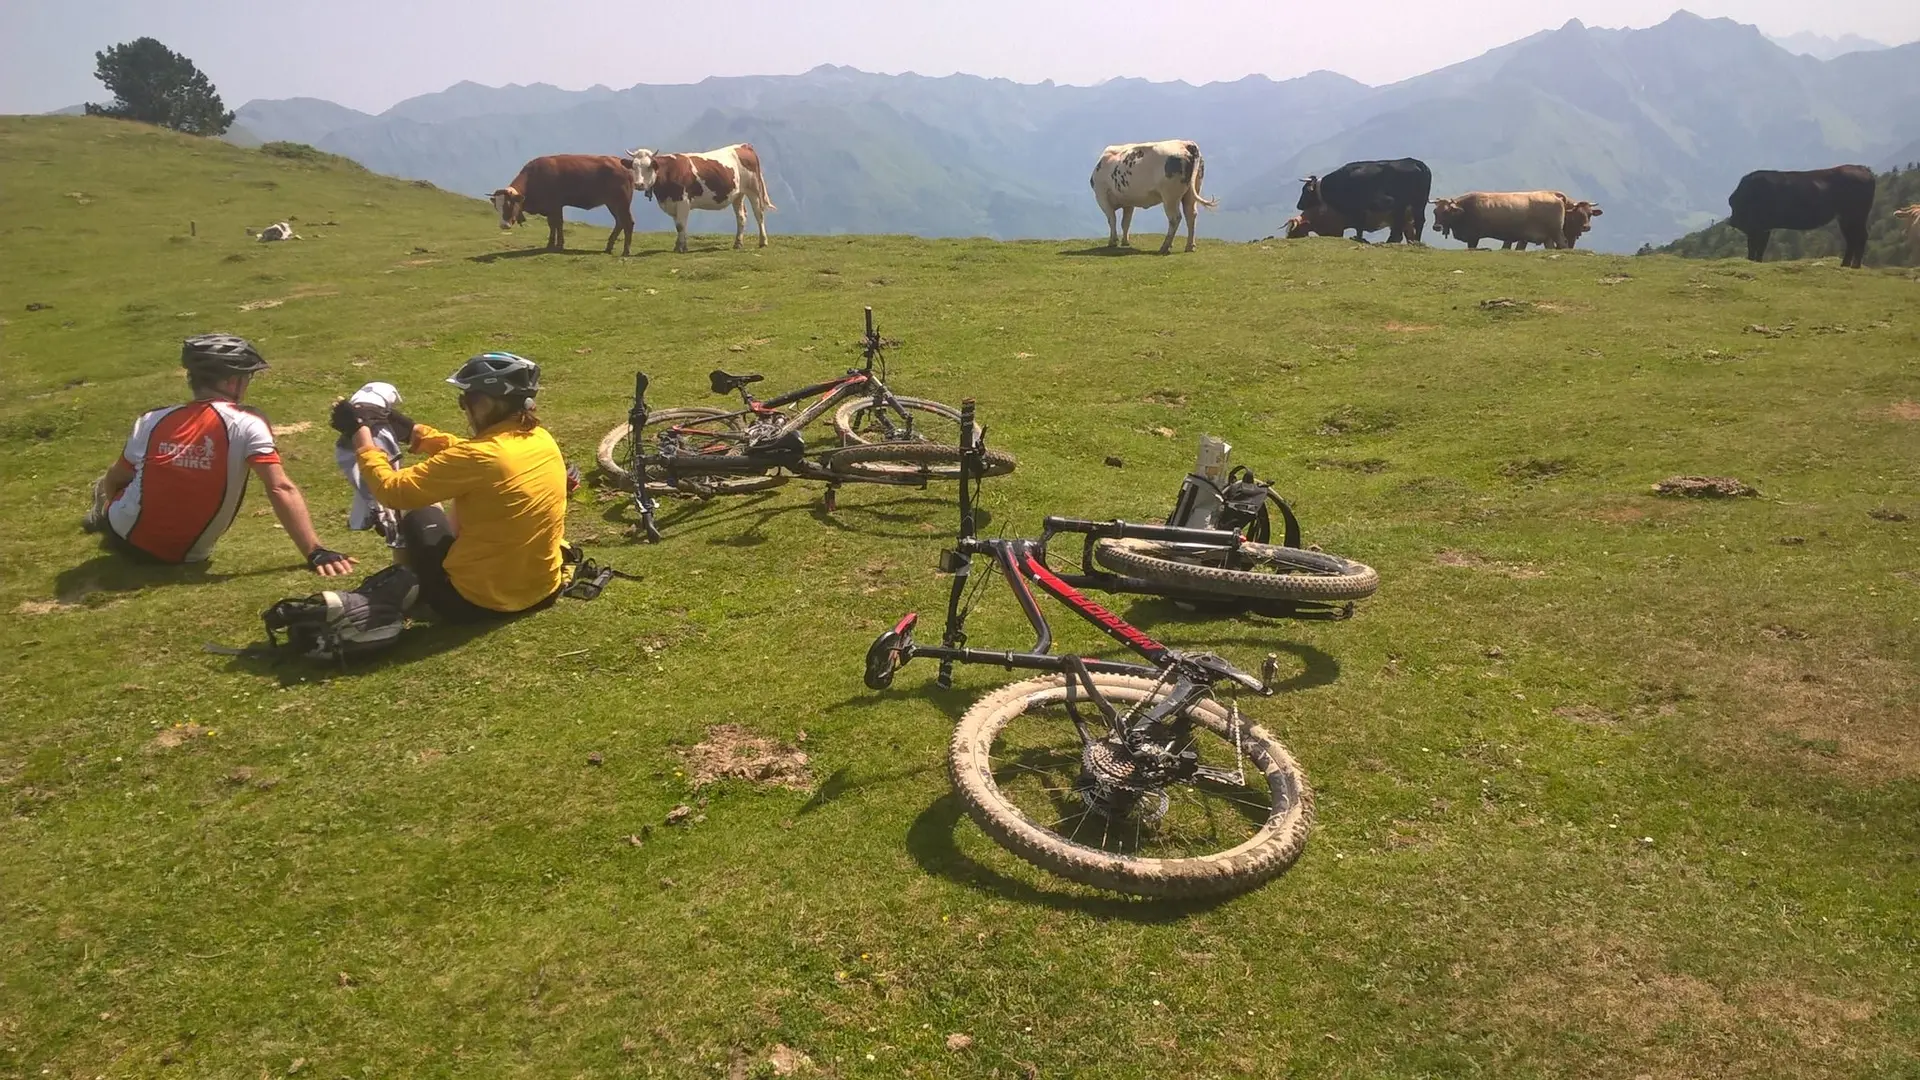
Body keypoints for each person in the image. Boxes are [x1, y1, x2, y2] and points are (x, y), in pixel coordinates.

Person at [83, 333, 356, 577]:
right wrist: (315, 551)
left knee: (116, 479)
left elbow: (117, 477)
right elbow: (280, 487)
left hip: (125, 540)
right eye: (247, 376)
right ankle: (103, 508)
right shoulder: (248, 422)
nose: (248, 382)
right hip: (190, 555)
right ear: (230, 380)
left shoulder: (151, 419)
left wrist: (109, 509)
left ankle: (102, 511)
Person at [330, 352, 569, 622]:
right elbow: (474, 455)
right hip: (543, 589)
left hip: (477, 601)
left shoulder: (478, 458)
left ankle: (414, 599)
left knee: (420, 511)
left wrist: (361, 436)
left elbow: (393, 491)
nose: (464, 407)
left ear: (485, 403)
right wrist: (413, 432)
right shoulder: (538, 438)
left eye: (464, 400)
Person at [333, 381, 408, 549]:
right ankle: (388, 523)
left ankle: (388, 523)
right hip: (385, 493)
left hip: (385, 490)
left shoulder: (359, 431)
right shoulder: (376, 431)